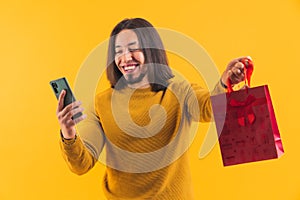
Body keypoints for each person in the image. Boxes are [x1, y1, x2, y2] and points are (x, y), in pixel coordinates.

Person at [56, 18, 248, 200]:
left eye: (133, 49)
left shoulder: (178, 90)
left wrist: (225, 83)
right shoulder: (101, 104)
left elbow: (208, 108)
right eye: (118, 51)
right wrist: (69, 134)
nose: (125, 58)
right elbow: (81, 164)